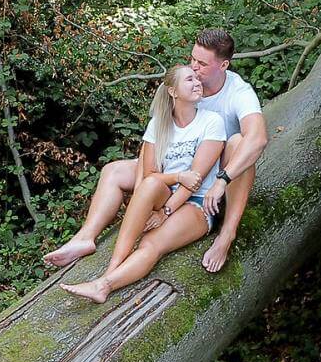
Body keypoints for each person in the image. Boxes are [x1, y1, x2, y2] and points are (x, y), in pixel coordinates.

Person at [44, 28, 268, 274]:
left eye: (202, 64)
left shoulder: (238, 92)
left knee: (240, 143)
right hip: (174, 167)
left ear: (223, 65)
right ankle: (85, 237)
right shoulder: (185, 83)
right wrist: (143, 194)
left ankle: (226, 234)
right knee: (114, 171)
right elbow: (154, 139)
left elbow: (258, 138)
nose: (193, 67)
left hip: (213, 176)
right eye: (192, 58)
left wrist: (221, 181)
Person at [61, 64, 225, 304]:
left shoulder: (212, 122)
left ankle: (105, 283)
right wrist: (175, 180)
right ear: (173, 91)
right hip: (165, 190)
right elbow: (149, 174)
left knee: (151, 242)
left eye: (196, 78)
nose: (197, 83)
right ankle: (112, 266)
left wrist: (165, 212)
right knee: (148, 185)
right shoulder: (159, 125)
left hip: (196, 203)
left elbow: (195, 180)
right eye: (189, 79)